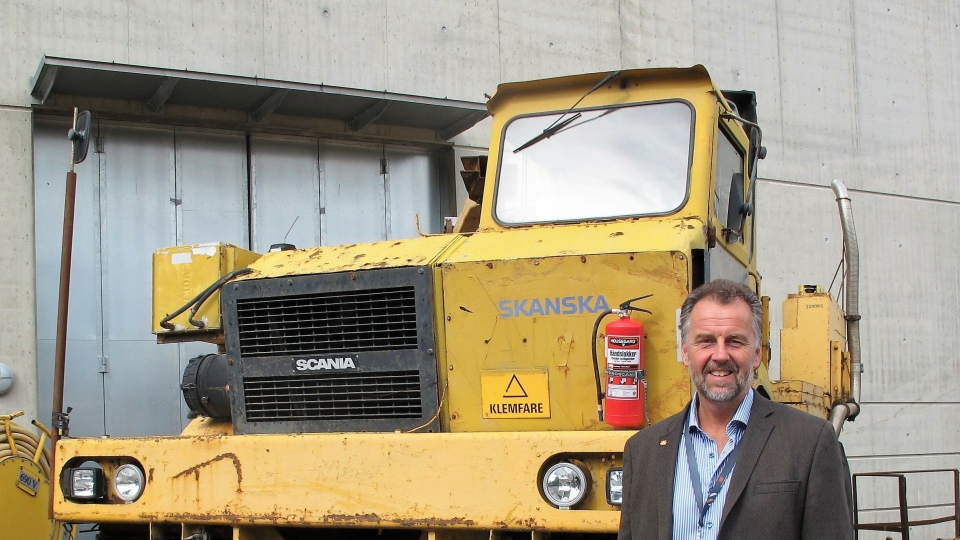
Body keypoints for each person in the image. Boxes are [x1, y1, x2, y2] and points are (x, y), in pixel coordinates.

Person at [617, 279, 854, 540]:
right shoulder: (642, 452)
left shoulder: (810, 443)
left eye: (734, 341)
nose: (720, 355)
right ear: (685, 352)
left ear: (756, 354)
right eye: (706, 341)